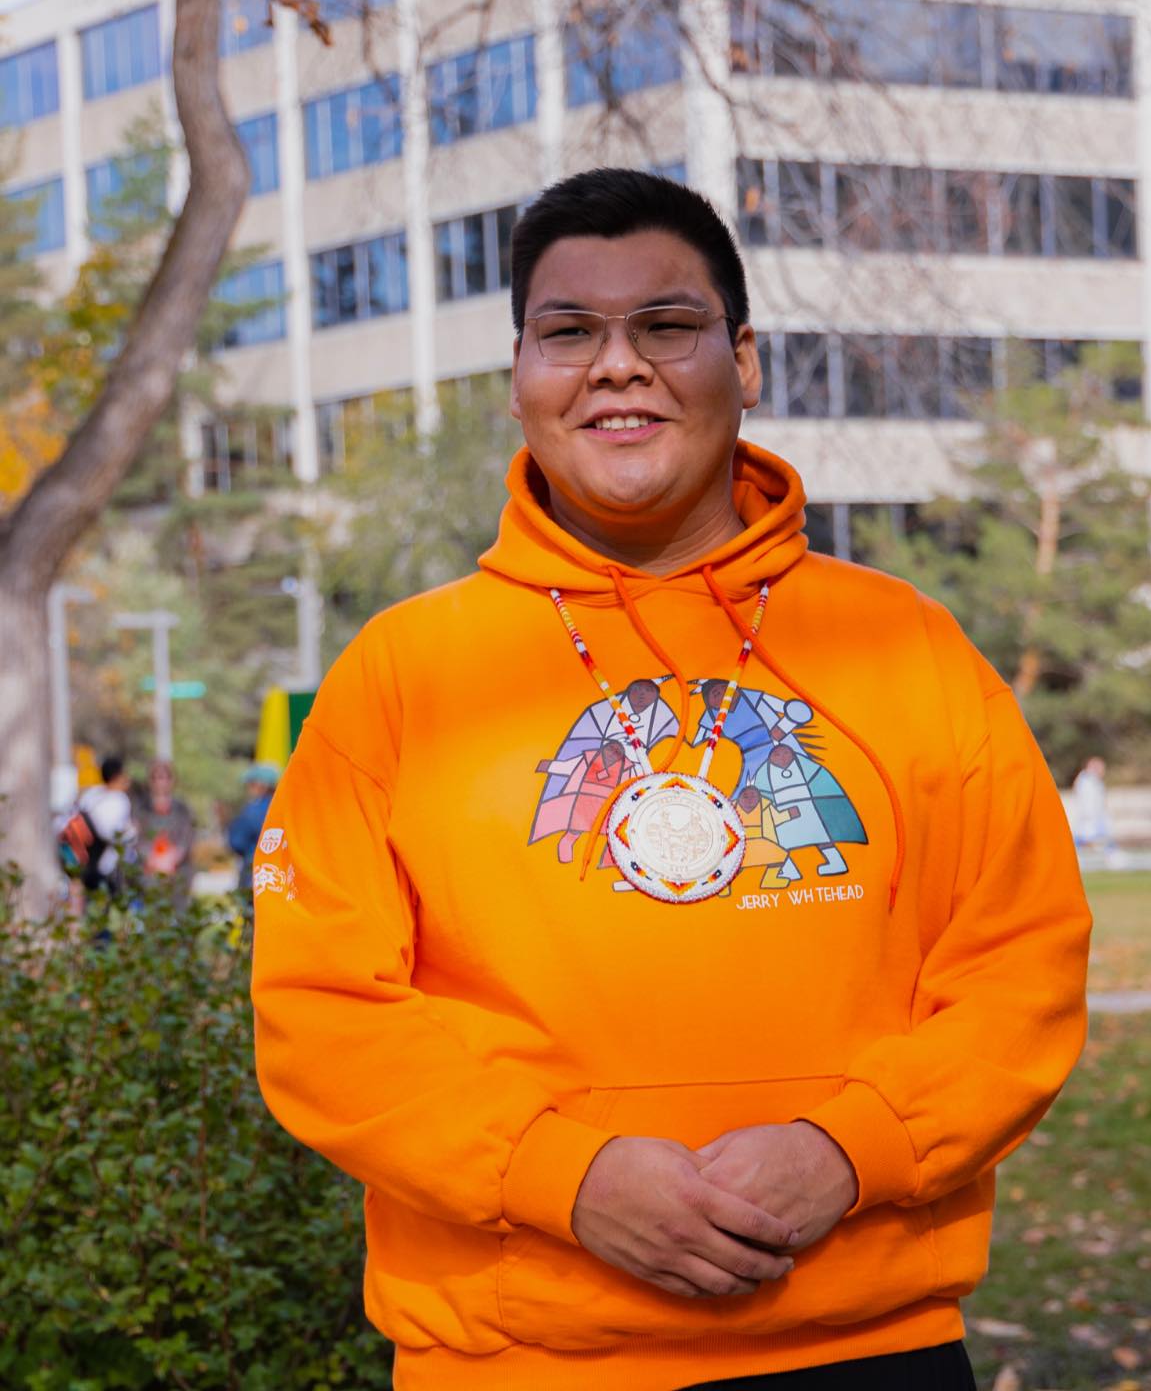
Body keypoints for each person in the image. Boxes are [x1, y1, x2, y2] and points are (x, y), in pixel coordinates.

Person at [251, 169, 1091, 1391]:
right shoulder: (401, 675)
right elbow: (320, 1013)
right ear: (522, 379)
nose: (617, 365)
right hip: (519, 1358)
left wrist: (849, 1150)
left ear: (743, 361)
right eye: (570, 333)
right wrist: (564, 1178)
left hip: (865, 1344)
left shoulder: (905, 646)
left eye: (668, 325)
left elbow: (1022, 964)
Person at [134, 758, 197, 908]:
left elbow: (188, 836)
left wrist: (173, 858)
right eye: (156, 777)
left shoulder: (182, 809)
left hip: (178, 872)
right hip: (150, 872)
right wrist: (152, 858)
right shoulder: (141, 808)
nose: (160, 782)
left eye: (165, 777)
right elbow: (137, 837)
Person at [70, 755, 136, 898]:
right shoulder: (119, 800)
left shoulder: (91, 795)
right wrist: (131, 833)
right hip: (105, 866)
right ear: (117, 776)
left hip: (83, 861)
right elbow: (112, 833)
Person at [227, 763, 278, 894]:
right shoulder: (281, 807)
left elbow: (237, 842)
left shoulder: (252, 810)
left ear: (262, 785)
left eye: (251, 784)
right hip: (278, 871)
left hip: (253, 869)